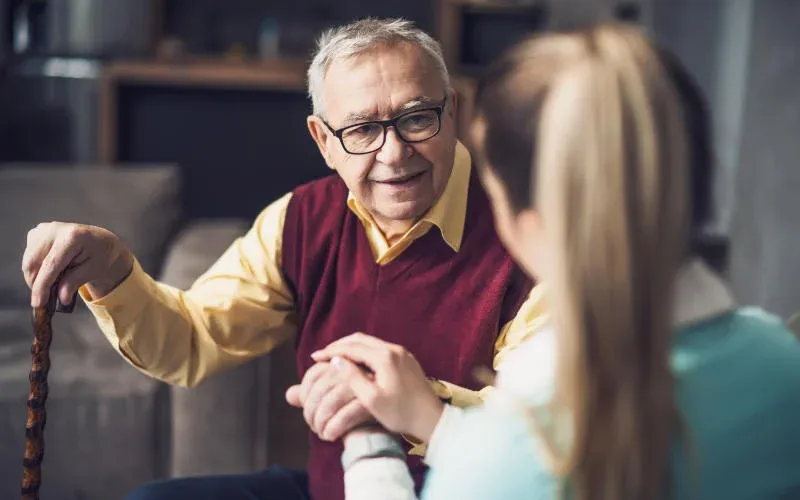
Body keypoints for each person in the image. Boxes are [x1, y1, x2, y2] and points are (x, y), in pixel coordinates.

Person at [20, 17, 547, 500]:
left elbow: (542, 448)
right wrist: (114, 271)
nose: (393, 153)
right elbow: (192, 339)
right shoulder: (301, 219)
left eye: (416, 119)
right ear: (324, 141)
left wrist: (411, 403)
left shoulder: (528, 234)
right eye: (362, 130)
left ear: (453, 110)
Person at [308, 23, 800, 500]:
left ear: (532, 220)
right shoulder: (782, 364)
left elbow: (518, 468)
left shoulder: (516, 450)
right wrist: (438, 425)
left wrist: (370, 447)